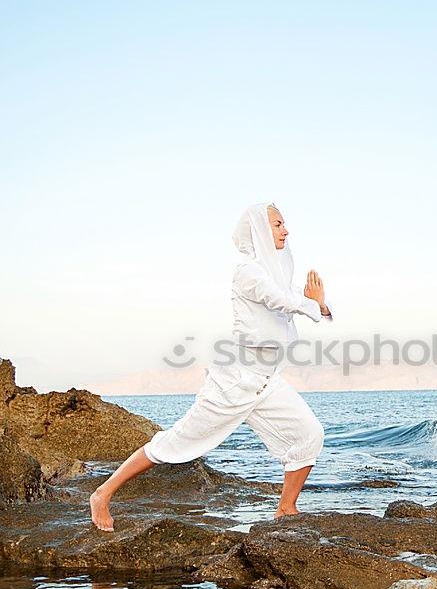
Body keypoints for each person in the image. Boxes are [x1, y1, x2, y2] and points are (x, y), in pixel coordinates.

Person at [89, 202, 332, 531]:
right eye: (277, 225)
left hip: (267, 380)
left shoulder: (276, 273)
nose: (285, 231)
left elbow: (299, 302)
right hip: (235, 382)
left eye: (283, 224)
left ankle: (286, 508)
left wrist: (319, 305)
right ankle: (102, 494)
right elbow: (280, 300)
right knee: (175, 444)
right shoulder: (249, 271)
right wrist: (313, 303)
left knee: (309, 434)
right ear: (259, 229)